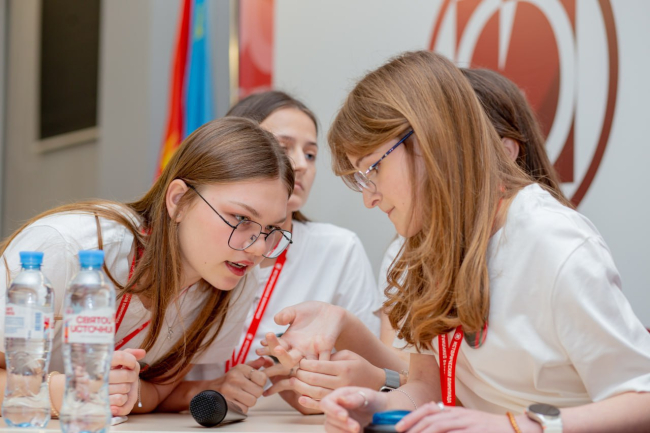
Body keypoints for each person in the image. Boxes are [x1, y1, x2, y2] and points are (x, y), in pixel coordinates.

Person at [261, 51, 650, 432]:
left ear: (431, 140)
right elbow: (427, 389)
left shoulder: (552, 240)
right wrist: (375, 406)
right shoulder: (422, 247)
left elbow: (642, 399)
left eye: (373, 169)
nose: (370, 198)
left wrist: (516, 426)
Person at [0, 117, 295, 416]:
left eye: (272, 228)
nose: (259, 248)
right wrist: (67, 392)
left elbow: (154, 392)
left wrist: (128, 391)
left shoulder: (234, 281)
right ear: (178, 200)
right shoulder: (68, 245)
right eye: (241, 219)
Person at [188, 91, 381, 414]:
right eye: (282, 148)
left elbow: (374, 374)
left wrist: (313, 380)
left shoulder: (338, 249)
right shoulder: (198, 244)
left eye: (310, 154)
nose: (300, 165)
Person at [377, 67, 572, 354]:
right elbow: (405, 366)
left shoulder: (548, 237)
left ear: (505, 153)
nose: (439, 159)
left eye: (454, 144)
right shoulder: (412, 247)